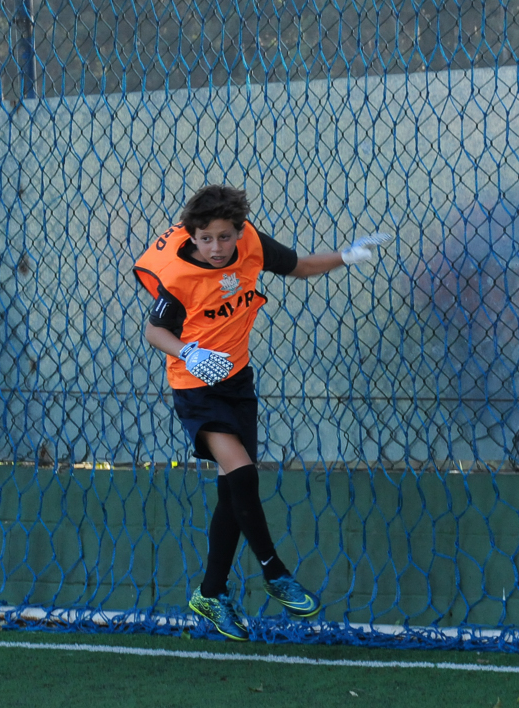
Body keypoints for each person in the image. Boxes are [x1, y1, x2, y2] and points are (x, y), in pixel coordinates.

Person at [133, 184, 390, 641]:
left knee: (235, 490)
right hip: (196, 387)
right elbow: (154, 331)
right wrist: (188, 352)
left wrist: (347, 257)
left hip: (237, 382)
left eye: (225, 236)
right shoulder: (177, 277)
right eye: (206, 238)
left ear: (238, 231)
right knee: (244, 475)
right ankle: (275, 572)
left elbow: (299, 267)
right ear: (191, 235)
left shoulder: (250, 242)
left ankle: (210, 594)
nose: (217, 247)